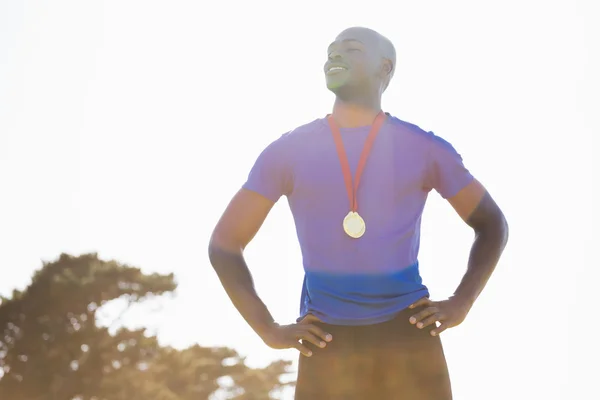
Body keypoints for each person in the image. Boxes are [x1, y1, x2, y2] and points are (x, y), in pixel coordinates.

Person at [208, 26, 509, 400]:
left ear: (385, 68)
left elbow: (491, 223)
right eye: (331, 51)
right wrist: (268, 329)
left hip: (409, 334)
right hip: (325, 342)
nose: (334, 56)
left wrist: (461, 302)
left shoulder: (426, 148)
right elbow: (224, 243)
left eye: (350, 49)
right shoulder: (288, 151)